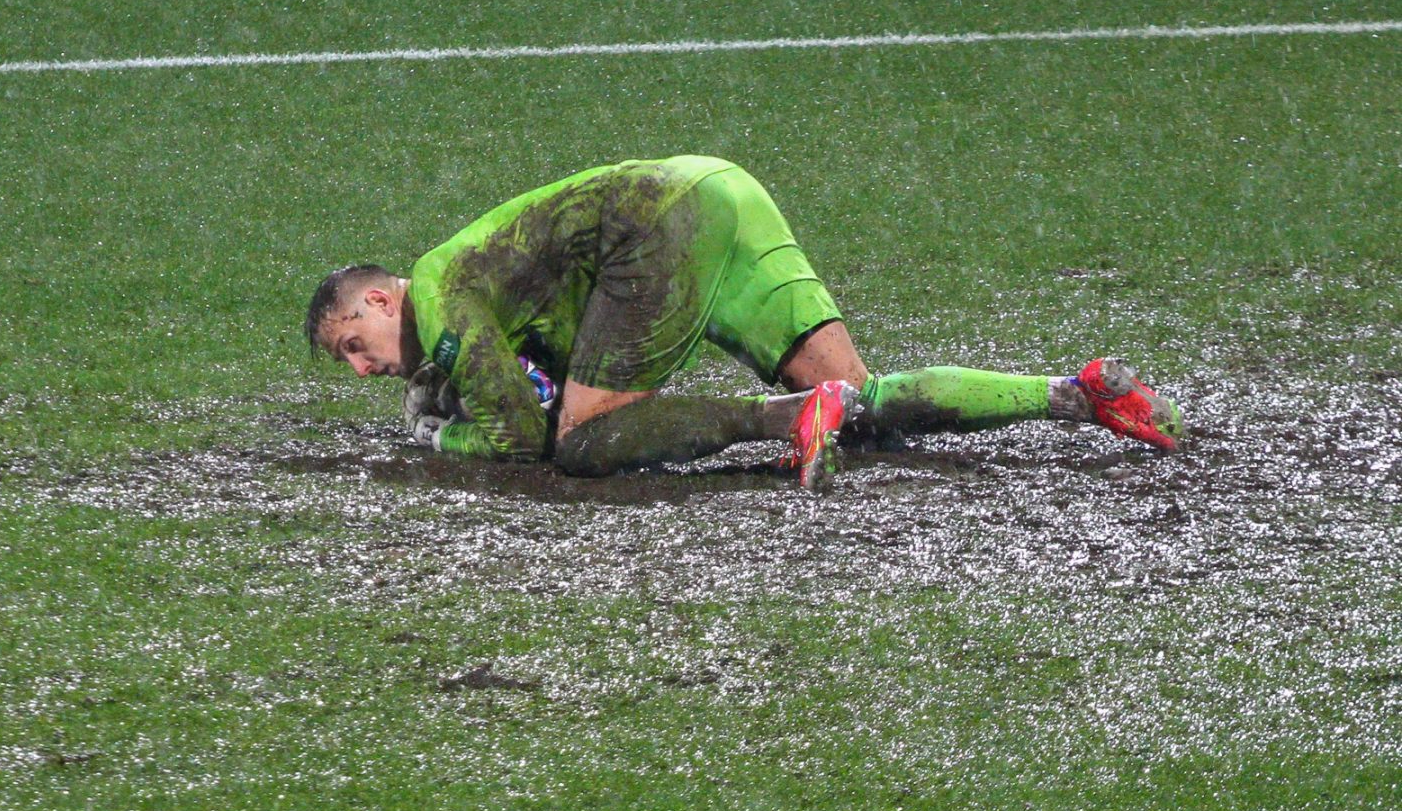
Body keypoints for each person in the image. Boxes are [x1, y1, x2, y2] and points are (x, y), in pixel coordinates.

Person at [304, 155, 1181, 491]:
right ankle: (1078, 394)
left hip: (655, 225)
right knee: (860, 400)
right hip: (718, 188)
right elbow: (548, 362)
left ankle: (786, 420)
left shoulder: (439, 291)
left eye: (353, 345)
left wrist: (441, 436)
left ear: (380, 301)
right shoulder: (471, 287)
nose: (361, 369)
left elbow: (520, 436)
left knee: (580, 445)